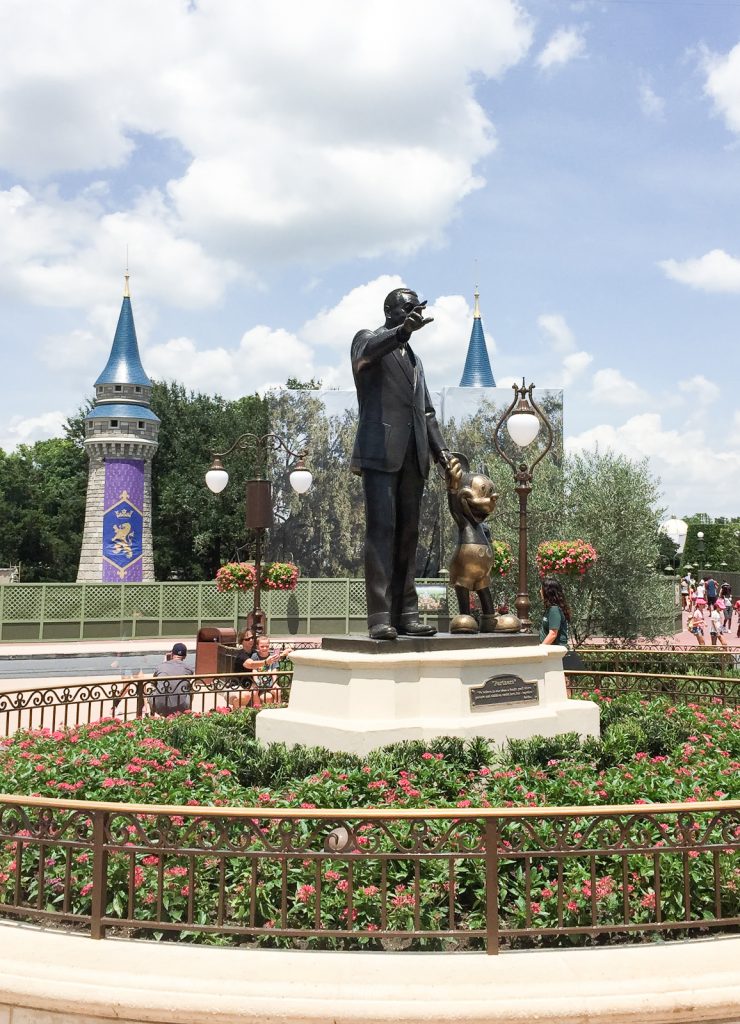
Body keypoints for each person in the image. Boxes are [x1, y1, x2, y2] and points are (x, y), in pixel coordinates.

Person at [351, 287, 461, 640]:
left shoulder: (414, 359)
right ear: (390, 310)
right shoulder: (368, 339)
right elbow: (364, 358)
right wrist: (400, 333)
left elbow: (426, 411)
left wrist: (443, 455)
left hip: (414, 455)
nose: (414, 313)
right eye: (408, 308)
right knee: (381, 532)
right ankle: (380, 616)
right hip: (380, 451)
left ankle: (407, 613)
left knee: (408, 537)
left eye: (417, 308)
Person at [148, 642, 194, 717]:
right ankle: (188, 713)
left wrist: (165, 661)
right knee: (191, 688)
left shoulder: (161, 666)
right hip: (181, 707)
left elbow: (153, 683)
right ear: (185, 656)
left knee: (150, 689)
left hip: (160, 706)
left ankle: (150, 714)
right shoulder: (189, 669)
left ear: (172, 654)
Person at [539, 577, 571, 647]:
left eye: (542, 589)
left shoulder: (554, 610)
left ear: (547, 592)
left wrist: (540, 649)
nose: (540, 591)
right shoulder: (550, 609)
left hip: (556, 651)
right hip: (551, 649)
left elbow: (553, 634)